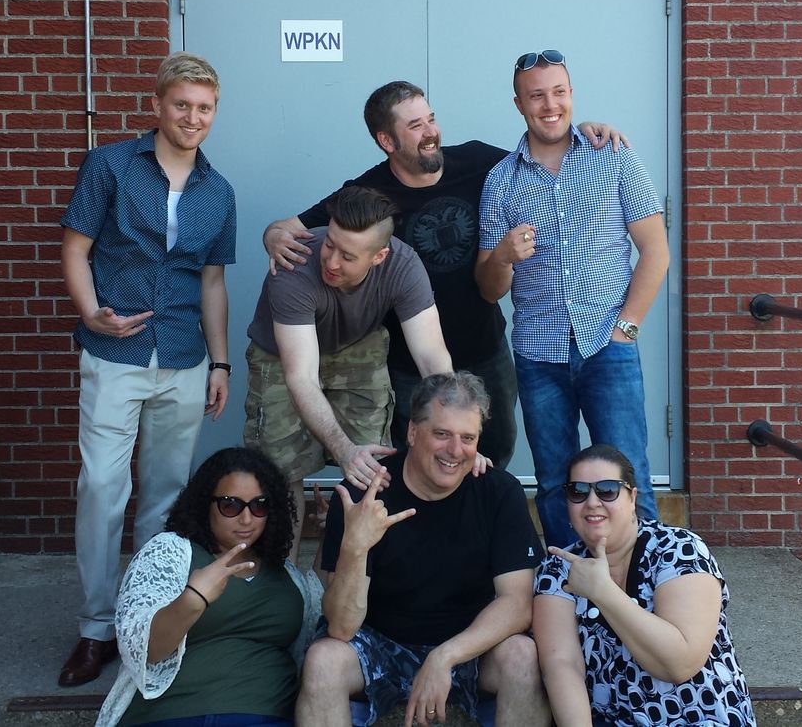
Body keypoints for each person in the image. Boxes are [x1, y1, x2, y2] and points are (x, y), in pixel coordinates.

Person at [263, 81, 628, 469]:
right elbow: (287, 228)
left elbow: (540, 160)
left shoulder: (479, 162)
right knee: (419, 462)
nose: (431, 132)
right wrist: (273, 237)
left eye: (431, 119)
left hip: (485, 349)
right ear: (387, 141)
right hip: (409, 363)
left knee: (493, 452)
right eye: (415, 126)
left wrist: (580, 131)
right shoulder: (369, 196)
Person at [57, 52, 237, 686]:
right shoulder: (109, 165)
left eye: (205, 108)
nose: (193, 117)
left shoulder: (219, 191)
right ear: (158, 105)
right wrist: (91, 313)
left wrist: (220, 362)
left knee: (166, 496)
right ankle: (95, 628)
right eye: (182, 104)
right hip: (115, 352)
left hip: (184, 355)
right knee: (102, 488)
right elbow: (75, 249)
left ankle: (146, 620)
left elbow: (212, 282)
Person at [475, 49, 669, 548]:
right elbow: (489, 288)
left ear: (571, 95)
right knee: (556, 483)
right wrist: (502, 256)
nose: (550, 105)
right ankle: (569, 585)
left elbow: (656, 251)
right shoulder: (501, 180)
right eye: (537, 95)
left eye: (559, 92)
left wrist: (626, 329)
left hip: (608, 347)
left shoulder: (614, 155)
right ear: (519, 104)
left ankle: (646, 583)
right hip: (539, 356)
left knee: (628, 475)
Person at [297, 372, 551, 727]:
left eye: (468, 438)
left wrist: (445, 656)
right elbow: (341, 627)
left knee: (523, 656)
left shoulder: (499, 491)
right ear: (413, 432)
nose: (455, 451)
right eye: (442, 434)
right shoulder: (363, 494)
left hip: (467, 646)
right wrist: (355, 547)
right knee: (323, 661)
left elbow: (517, 604)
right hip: (378, 642)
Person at [243, 184, 453, 528]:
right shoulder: (295, 263)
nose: (332, 261)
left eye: (348, 256)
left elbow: (432, 357)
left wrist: (456, 426)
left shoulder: (403, 265)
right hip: (283, 355)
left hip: (358, 345)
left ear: (379, 257)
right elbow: (301, 376)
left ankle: (348, 557)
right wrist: (342, 450)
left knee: (371, 467)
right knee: (279, 472)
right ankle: (285, 561)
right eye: (330, 244)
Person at [94, 446, 325, 727]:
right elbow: (146, 650)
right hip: (172, 715)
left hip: (264, 715)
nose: (246, 519)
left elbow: (321, 613)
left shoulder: (285, 575)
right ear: (205, 504)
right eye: (231, 505)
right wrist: (193, 598)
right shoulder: (171, 553)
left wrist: (333, 537)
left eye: (259, 505)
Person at [533, 445, 755, 727]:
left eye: (607, 490)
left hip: (701, 718)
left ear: (633, 498)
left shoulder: (678, 549)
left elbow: (679, 664)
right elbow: (562, 665)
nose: (592, 502)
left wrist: (603, 592)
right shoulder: (558, 568)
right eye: (578, 491)